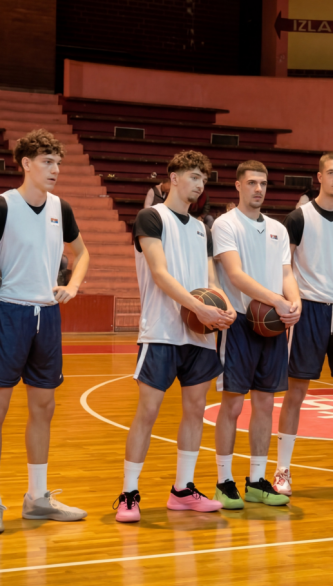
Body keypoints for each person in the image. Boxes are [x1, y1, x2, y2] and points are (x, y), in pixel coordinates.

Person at [114, 150, 236, 523]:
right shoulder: (151, 218)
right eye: (193, 176)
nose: (199, 184)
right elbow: (160, 273)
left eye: (203, 178)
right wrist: (197, 307)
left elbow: (210, 279)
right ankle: (129, 493)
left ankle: (183, 489)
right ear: (173, 178)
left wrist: (223, 305)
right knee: (148, 412)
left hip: (198, 335)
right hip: (162, 330)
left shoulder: (202, 228)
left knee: (195, 411)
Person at [0, 129, 91, 530]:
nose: (55, 169)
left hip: (47, 315)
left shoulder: (61, 208)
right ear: (25, 164)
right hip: (7, 312)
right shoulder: (3, 206)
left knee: (45, 407)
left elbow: (82, 252)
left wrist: (72, 285)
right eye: (47, 162)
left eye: (58, 163)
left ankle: (37, 498)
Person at [276, 152, 333, 495]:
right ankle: (282, 470)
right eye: (331, 172)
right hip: (309, 311)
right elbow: (283, 267)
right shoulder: (298, 218)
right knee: (296, 392)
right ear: (319, 176)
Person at [211, 160, 301, 508]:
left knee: (265, 403)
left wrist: (294, 302)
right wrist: (277, 300)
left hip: (273, 325)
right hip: (239, 326)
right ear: (238, 186)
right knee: (232, 405)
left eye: (263, 183)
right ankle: (224, 481)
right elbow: (234, 275)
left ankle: (257, 480)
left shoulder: (279, 228)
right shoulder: (225, 224)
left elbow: (286, 272)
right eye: (251, 183)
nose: (258, 189)